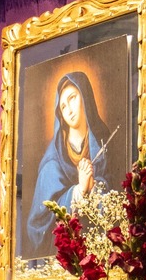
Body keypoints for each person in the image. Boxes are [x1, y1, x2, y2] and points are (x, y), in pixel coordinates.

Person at [26, 71, 118, 258]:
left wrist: (95, 187)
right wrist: (78, 191)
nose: (68, 109)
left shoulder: (105, 141)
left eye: (72, 98)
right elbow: (38, 223)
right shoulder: (52, 160)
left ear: (85, 96)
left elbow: (116, 193)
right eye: (63, 106)